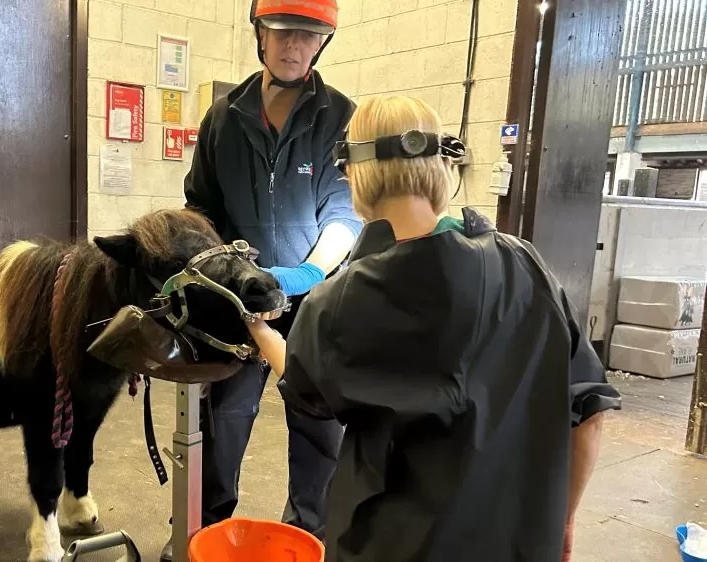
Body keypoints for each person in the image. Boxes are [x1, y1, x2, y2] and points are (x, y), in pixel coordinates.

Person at [243, 94, 623, 562]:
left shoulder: (343, 300)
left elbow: (305, 386)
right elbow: (590, 408)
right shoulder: (526, 265)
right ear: (441, 164)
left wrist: (260, 333)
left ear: (353, 174)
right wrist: (562, 519)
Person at [160, 0, 361, 560]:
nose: (294, 46)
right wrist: (221, 272)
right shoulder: (224, 116)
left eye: (307, 36)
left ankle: (307, 536)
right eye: (283, 34)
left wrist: (307, 273)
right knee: (224, 417)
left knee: (318, 423)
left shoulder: (340, 116)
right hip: (240, 302)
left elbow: (346, 215)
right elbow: (200, 205)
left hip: (314, 301)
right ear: (260, 35)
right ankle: (208, 529)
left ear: (322, 43)